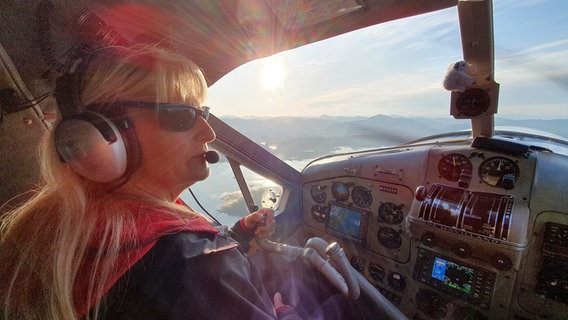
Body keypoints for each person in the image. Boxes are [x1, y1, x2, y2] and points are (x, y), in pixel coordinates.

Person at [0, 44, 301, 320]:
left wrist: (240, 233)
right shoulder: (194, 267)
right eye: (181, 115)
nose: (208, 133)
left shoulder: (56, 228)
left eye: (203, 113)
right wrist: (285, 313)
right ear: (106, 135)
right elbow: (177, 267)